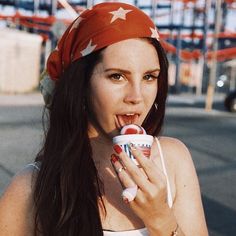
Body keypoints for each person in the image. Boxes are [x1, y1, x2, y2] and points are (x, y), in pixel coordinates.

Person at [0, 2, 208, 236]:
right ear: (81, 84)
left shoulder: (174, 160)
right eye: (117, 76)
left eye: (149, 77)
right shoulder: (31, 188)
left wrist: (162, 219)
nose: (137, 97)